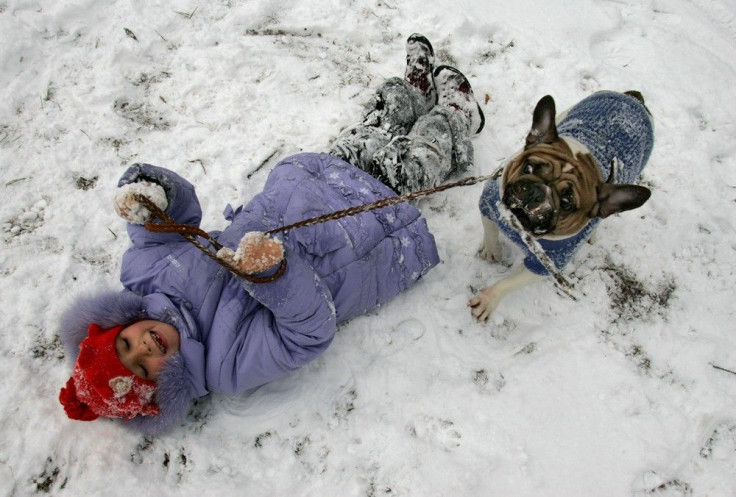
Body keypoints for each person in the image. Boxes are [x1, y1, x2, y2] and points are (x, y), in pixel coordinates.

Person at [58, 34, 485, 434]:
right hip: (362, 231)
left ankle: (408, 95)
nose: (144, 348)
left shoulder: (146, 273)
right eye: (141, 369)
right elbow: (306, 334)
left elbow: (174, 221)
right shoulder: (226, 365)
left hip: (305, 190)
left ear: (118, 328)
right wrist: (273, 276)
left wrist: (154, 200)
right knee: (416, 161)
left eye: (125, 345)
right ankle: (455, 116)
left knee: (368, 131)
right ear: (157, 389)